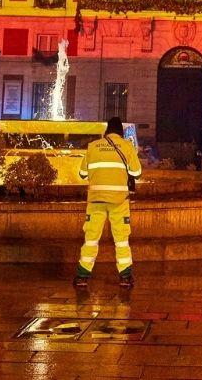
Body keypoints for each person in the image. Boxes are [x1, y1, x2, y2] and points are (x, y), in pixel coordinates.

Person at [75, 117, 143, 288]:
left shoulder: (93, 146)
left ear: (106, 131)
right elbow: (137, 173)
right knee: (121, 240)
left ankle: (82, 276)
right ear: (120, 132)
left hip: (96, 199)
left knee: (91, 239)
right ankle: (125, 278)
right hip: (119, 201)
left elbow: (82, 174)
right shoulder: (127, 146)